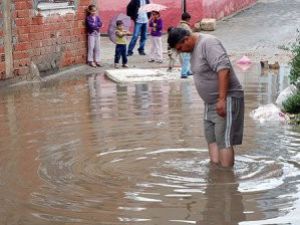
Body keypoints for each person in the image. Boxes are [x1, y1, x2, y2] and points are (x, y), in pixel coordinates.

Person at [167, 28, 244, 167]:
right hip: (209, 103)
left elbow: (223, 69)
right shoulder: (193, 49)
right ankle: (215, 174)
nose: (181, 52)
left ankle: (227, 181)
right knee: (212, 139)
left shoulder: (208, 43)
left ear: (186, 39)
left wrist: (222, 99)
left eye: (180, 48)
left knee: (223, 140)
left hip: (226, 99)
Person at [178, 12, 193, 78]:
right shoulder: (185, 26)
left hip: (179, 44)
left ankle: (188, 71)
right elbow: (190, 34)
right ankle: (184, 73)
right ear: (187, 19)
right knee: (186, 59)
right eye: (189, 19)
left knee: (184, 58)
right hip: (185, 44)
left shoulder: (179, 25)